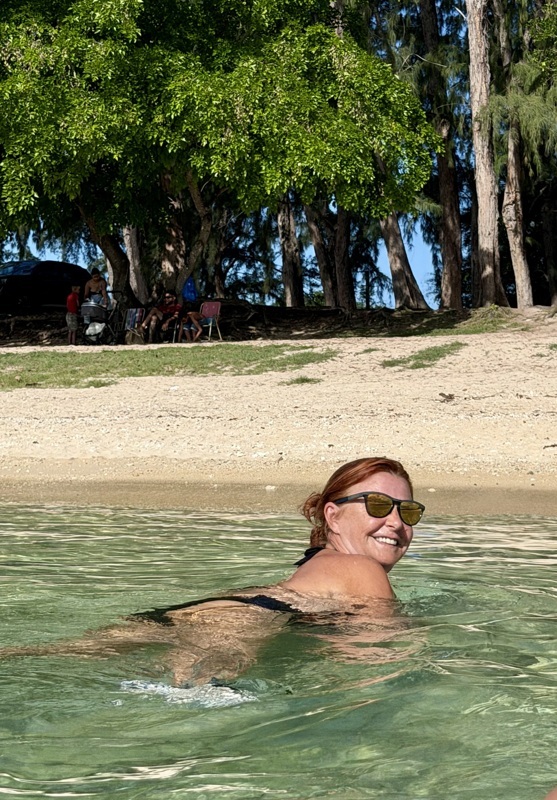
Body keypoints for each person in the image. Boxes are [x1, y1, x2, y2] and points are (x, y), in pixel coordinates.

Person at [1, 457, 424, 687]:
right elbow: (371, 670)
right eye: (378, 505)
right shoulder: (362, 570)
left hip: (190, 614)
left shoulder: (321, 565)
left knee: (39, 656)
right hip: (234, 625)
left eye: (407, 511)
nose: (395, 522)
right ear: (332, 515)